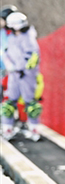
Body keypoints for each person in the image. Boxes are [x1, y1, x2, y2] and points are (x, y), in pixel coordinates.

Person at [1, 11, 43, 141]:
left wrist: (22, 67)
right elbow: (6, 52)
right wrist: (9, 64)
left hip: (26, 75)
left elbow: (32, 56)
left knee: (30, 102)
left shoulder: (28, 37)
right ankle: (7, 129)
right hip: (13, 74)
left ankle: (34, 129)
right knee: (9, 102)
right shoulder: (12, 38)